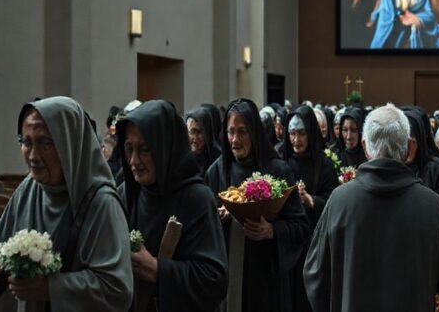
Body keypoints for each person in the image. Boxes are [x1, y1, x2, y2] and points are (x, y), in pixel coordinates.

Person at [303, 104, 439, 312]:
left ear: (365, 148)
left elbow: (315, 276)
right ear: (409, 148)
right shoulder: (432, 205)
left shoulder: (339, 202)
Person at [0, 96, 133, 310]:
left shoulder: (101, 203)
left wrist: (50, 288)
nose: (33, 156)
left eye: (46, 143)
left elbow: (117, 289)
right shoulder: (28, 190)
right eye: (26, 142)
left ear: (70, 143)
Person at [118, 100, 228, 311]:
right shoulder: (126, 194)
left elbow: (214, 280)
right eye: (129, 148)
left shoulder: (197, 198)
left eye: (144, 150)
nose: (134, 161)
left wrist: (158, 270)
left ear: (165, 149)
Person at [205, 98, 310, 312]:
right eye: (230, 131)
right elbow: (202, 230)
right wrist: (218, 218)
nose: (235, 140)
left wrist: (272, 230)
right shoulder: (215, 172)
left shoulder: (278, 171)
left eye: (242, 132)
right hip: (227, 280)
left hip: (266, 281)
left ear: (255, 132)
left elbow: (300, 227)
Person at [282, 106, 339, 312]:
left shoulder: (323, 164)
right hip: (287, 240)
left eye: (302, 133)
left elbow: (333, 198)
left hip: (314, 240)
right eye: (293, 133)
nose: (297, 140)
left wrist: (310, 201)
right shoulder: (282, 161)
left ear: (311, 133)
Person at [404, 110, 439, 212]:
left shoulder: (437, 168)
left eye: (411, 142)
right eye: (403, 141)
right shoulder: (392, 167)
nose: (407, 148)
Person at [186, 106, 223, 177]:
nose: (195, 137)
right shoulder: (185, 160)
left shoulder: (218, 161)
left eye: (199, 132)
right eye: (191, 132)